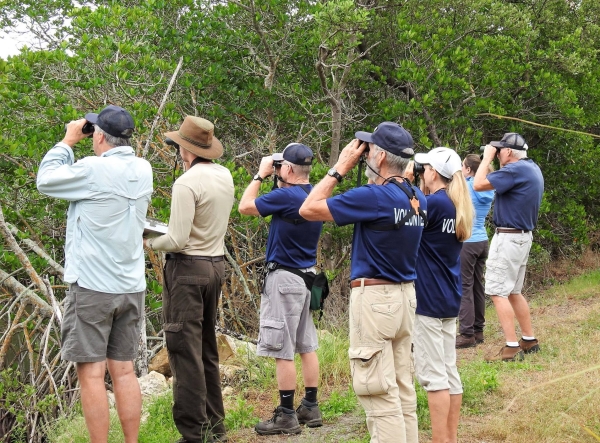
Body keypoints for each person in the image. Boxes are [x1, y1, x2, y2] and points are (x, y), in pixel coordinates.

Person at [300, 122, 426, 443]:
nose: (364, 156)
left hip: (376, 302)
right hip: (404, 298)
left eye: (368, 150)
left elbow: (308, 208)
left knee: (378, 393)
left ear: (381, 156)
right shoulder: (416, 199)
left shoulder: (376, 197)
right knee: (401, 390)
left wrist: (340, 168)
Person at [37, 105, 153, 443]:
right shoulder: (143, 169)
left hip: (92, 288)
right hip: (131, 286)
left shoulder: (91, 169)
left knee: (90, 374)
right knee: (125, 371)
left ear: (99, 135)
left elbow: (46, 181)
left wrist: (68, 141)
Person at [144, 116, 234, 443]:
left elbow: (178, 239)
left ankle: (192, 434)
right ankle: (215, 428)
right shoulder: (224, 175)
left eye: (178, 145)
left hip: (187, 271)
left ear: (186, 148)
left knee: (184, 350)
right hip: (216, 266)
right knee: (207, 348)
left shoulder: (186, 183)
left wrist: (151, 239)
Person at [238, 143, 324, 436]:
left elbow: (245, 206)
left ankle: (287, 414)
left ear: (287, 169)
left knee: (282, 348)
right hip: (306, 277)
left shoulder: (286, 196)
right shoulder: (314, 194)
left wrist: (260, 176)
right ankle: (310, 406)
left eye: (280, 167)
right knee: (306, 344)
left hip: (284, 278)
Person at [410, 147, 474, 443]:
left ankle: (439, 440)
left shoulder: (433, 203)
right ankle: (449, 438)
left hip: (428, 299)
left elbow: (404, 226)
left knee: (434, 378)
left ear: (433, 173)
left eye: (423, 169)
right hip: (449, 295)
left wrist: (407, 184)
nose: (421, 173)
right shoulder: (456, 203)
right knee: (449, 373)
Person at [474, 133, 544, 362]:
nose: (497, 152)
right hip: (523, 237)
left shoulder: (514, 171)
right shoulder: (530, 168)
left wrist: (485, 159)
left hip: (508, 238)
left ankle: (511, 347)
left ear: (509, 153)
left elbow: (478, 185)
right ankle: (529, 339)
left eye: (500, 149)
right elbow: (500, 182)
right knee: (514, 291)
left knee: (496, 291)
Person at [455, 154, 495, 348]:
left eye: (463, 166)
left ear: (469, 170)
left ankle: (466, 333)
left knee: (464, 287)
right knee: (478, 286)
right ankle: (478, 330)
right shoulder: (487, 188)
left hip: (468, 241)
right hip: (482, 241)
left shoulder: (469, 186)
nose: (461, 169)